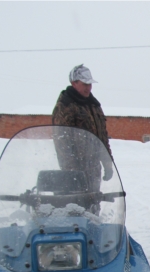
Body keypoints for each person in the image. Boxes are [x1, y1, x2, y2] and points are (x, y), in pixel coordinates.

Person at [52, 64, 113, 192]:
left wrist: (107, 162)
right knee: (77, 205)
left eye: (90, 84)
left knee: (93, 204)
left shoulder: (94, 106)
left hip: (94, 168)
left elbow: (102, 137)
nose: (88, 88)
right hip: (75, 170)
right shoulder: (66, 105)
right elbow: (62, 142)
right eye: (85, 84)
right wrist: (71, 172)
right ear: (74, 83)